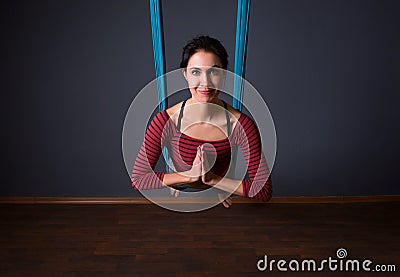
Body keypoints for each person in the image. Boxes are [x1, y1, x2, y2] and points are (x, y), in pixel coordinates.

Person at [131, 35, 272, 208]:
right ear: (185, 74)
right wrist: (186, 177)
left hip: (220, 192)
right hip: (181, 189)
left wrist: (215, 180)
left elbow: (263, 190)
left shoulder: (241, 125)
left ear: (224, 76)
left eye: (214, 72)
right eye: (196, 72)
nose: (205, 83)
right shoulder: (166, 121)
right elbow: (138, 179)